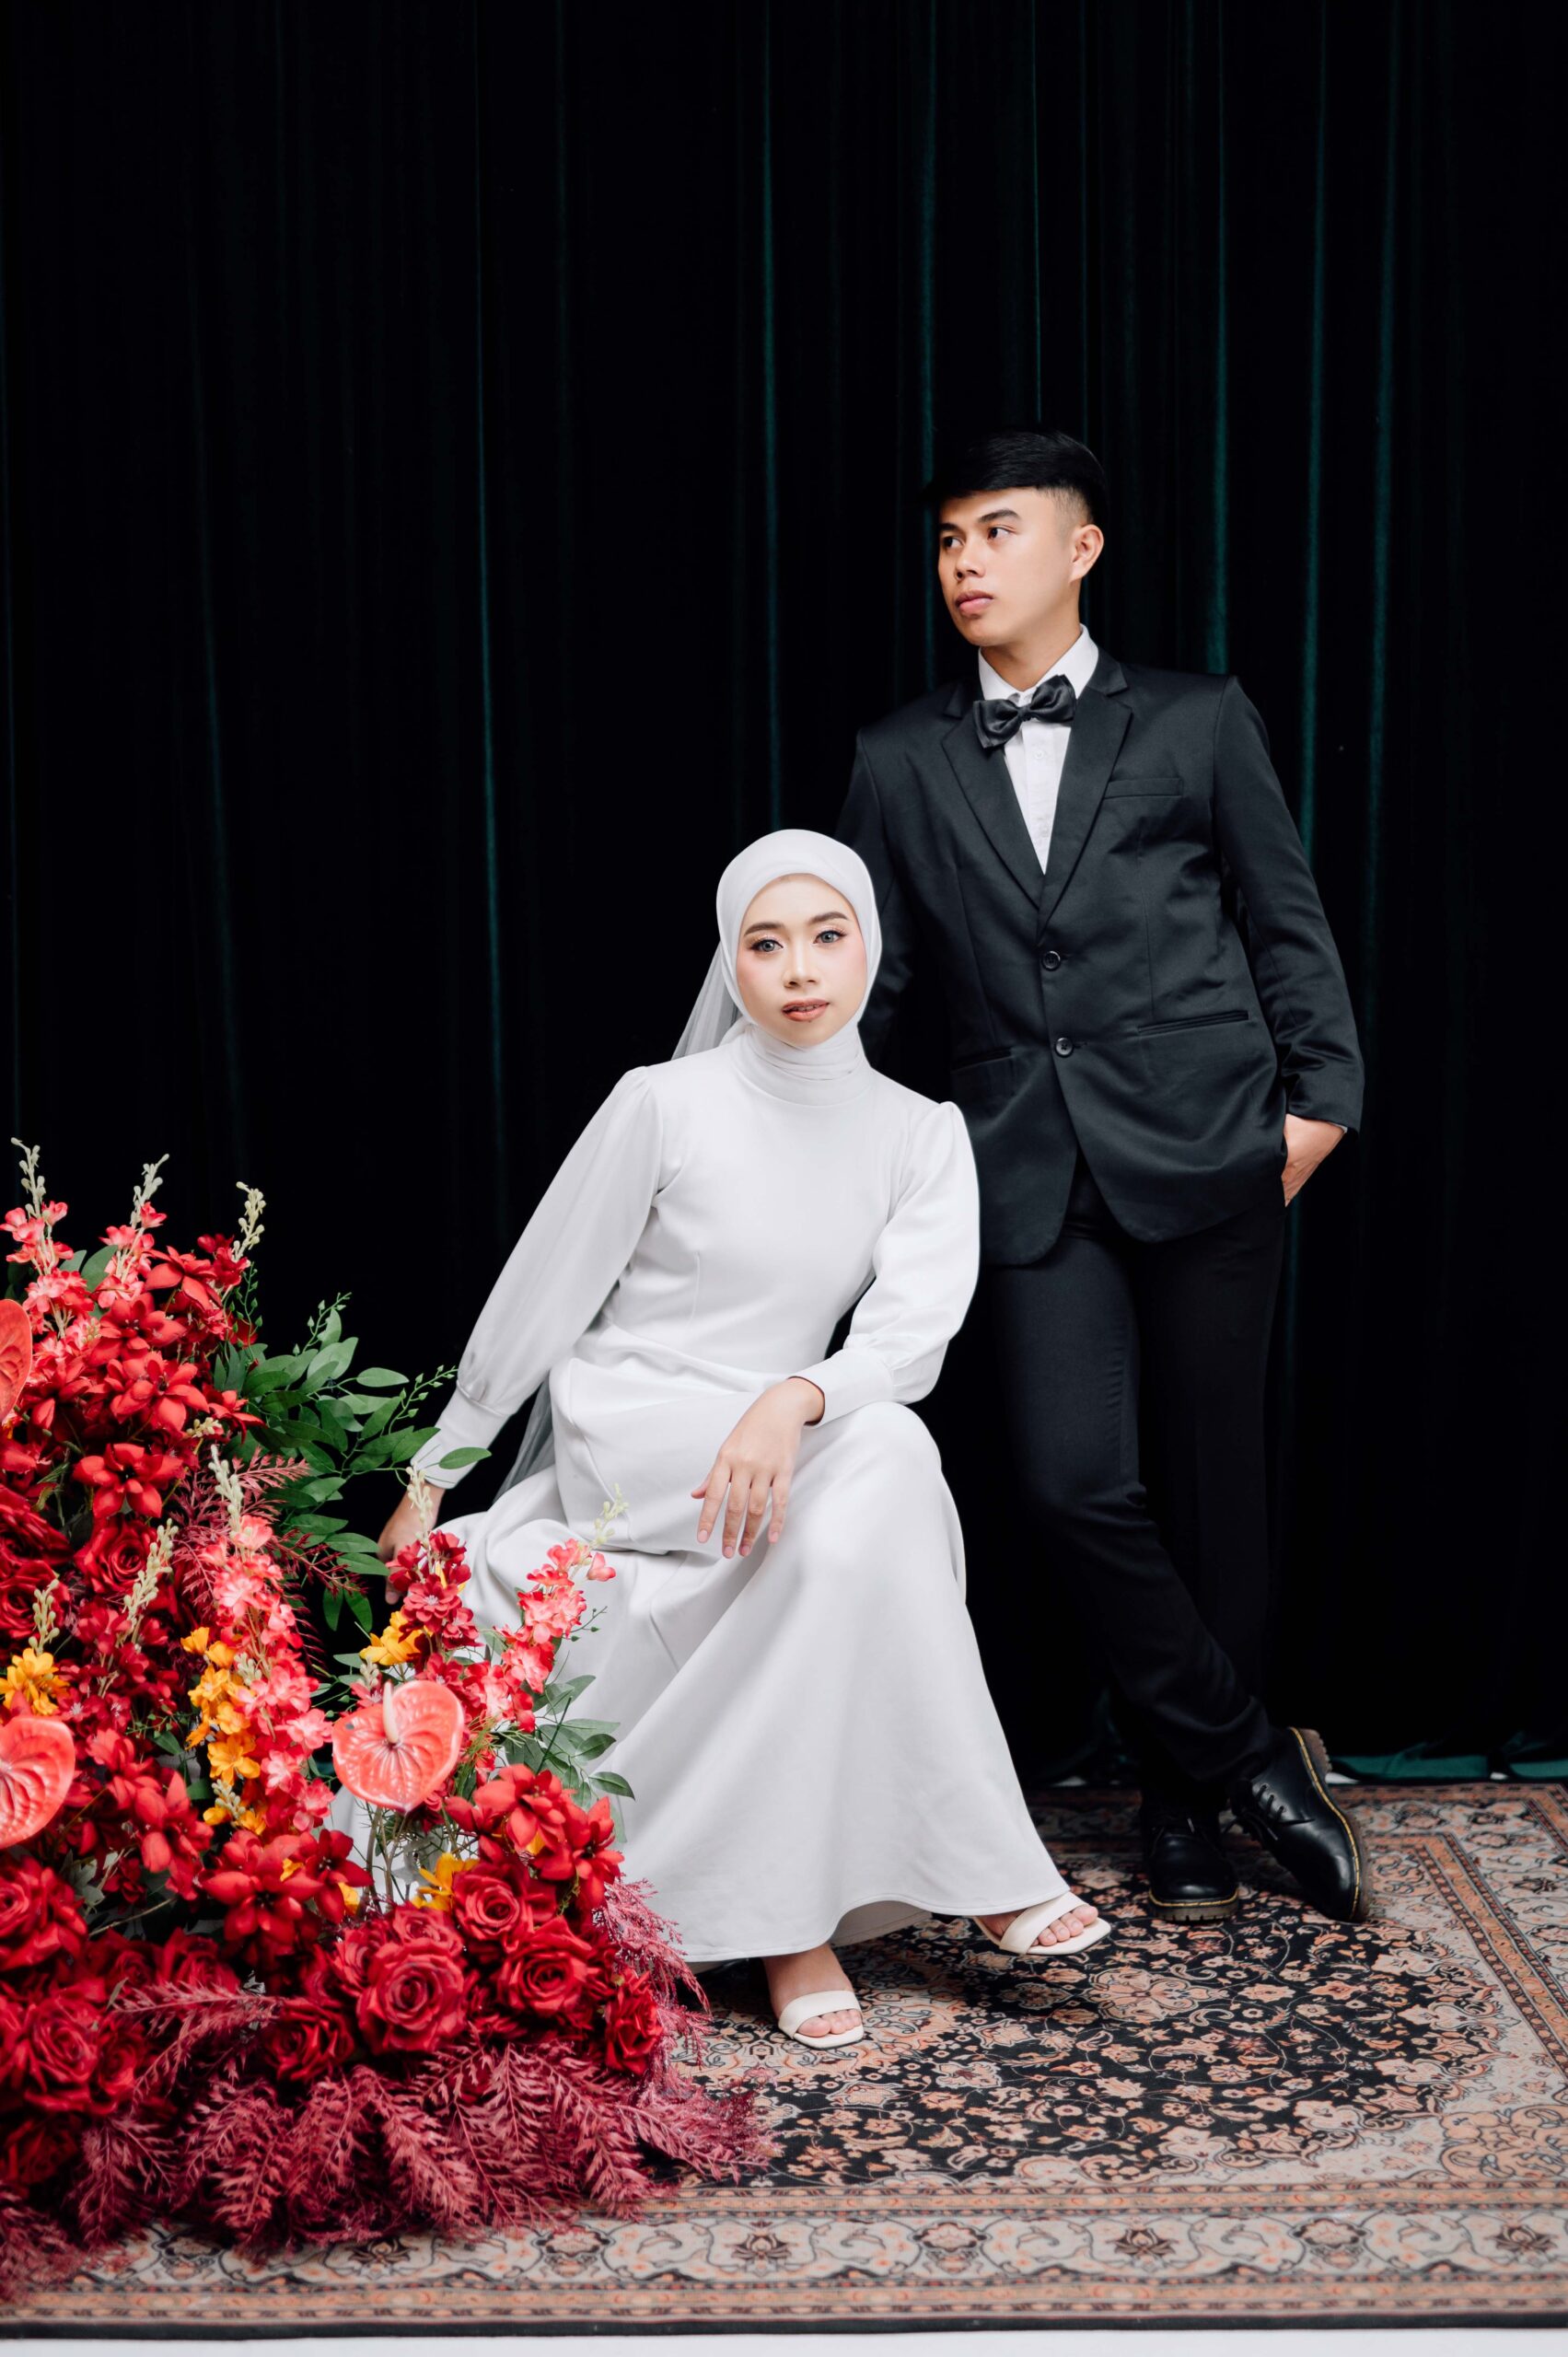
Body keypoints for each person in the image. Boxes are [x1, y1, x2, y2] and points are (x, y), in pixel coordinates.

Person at [377, 830, 1111, 2050]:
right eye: (766, 944)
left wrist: (794, 1399)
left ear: (870, 947)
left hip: (788, 1436)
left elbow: (911, 1338)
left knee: (891, 1460)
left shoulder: (920, 1132)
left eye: (828, 936)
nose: (800, 968)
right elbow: (546, 1292)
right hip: (639, 1434)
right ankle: (978, 1876)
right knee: (881, 1472)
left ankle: (798, 1923)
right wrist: (435, 1472)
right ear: (732, 962)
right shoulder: (663, 1103)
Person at [838, 425, 1372, 1927]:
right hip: (1019, 1170)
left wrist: (1318, 1111)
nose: (965, 563)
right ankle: (1250, 1758)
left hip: (1213, 1150)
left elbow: (1284, 919)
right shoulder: (897, 757)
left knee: (1215, 1493)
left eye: (997, 531)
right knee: (1072, 1482)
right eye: (950, 540)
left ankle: (1181, 1801)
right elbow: (882, 989)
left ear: (1079, 548)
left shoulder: (1198, 718)